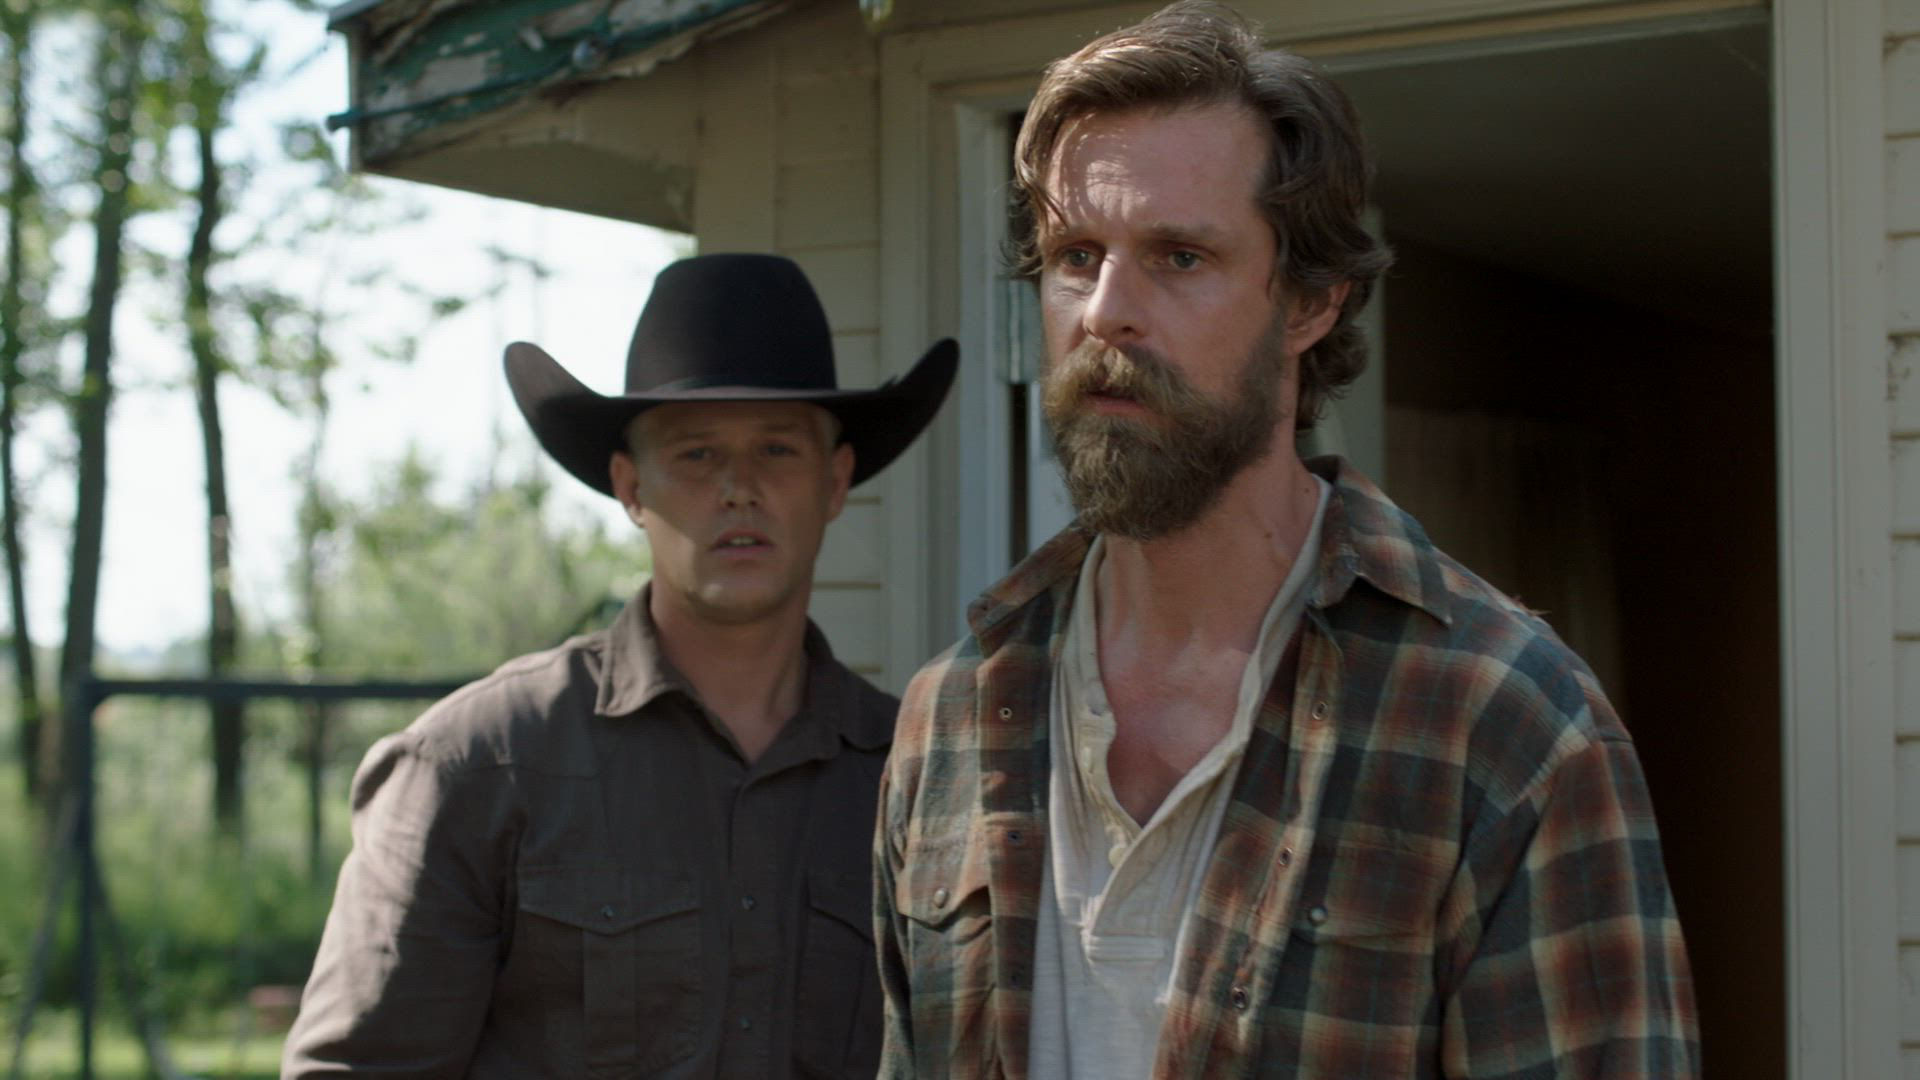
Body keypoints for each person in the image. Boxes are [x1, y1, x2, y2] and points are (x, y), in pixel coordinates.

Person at [872, 4, 1698, 1077]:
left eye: (1178, 256)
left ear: (1311, 303)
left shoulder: (1504, 725)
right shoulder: (955, 714)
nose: (1105, 312)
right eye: (1076, 255)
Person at [283, 253, 955, 1079]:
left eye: (778, 449)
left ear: (836, 480)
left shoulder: (915, 777)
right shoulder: (477, 766)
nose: (739, 488)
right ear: (631, 487)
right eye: (698, 455)